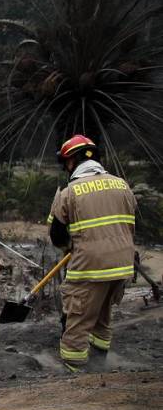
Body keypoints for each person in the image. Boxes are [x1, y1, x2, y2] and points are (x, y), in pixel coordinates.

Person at [48, 135, 137, 372]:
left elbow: (57, 236)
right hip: (122, 265)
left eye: (66, 162)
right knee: (102, 317)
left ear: (72, 161)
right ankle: (99, 366)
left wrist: (71, 248)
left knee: (76, 319)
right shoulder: (122, 185)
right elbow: (128, 226)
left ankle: (75, 372)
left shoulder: (69, 193)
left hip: (89, 266)